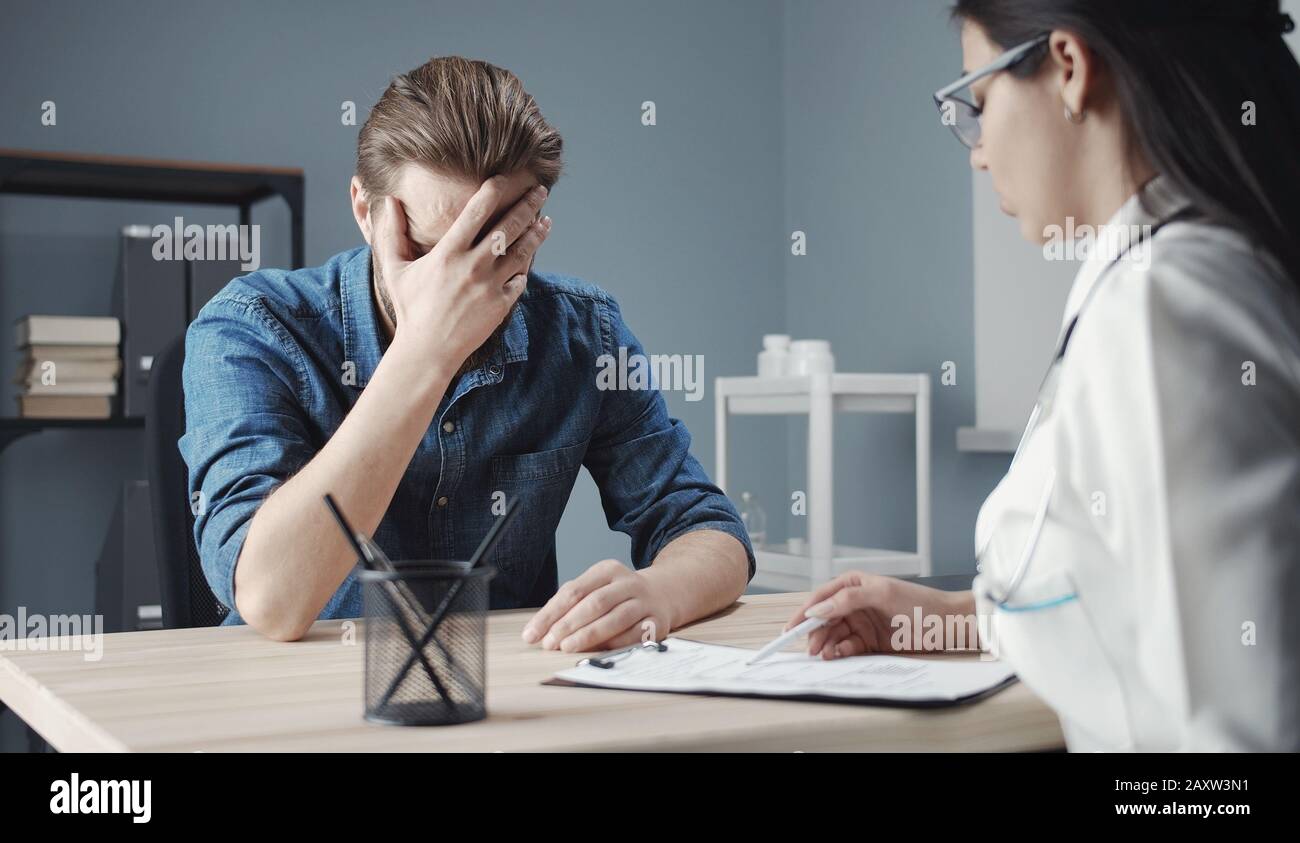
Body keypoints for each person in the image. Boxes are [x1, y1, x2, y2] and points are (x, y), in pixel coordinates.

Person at [787, 0, 1300, 750]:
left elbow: (1242, 746)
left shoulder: (1162, 306)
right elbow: (1141, 595)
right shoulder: (1176, 276)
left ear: (1068, 66)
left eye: (978, 100)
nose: (977, 150)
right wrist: (949, 618)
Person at [180, 56, 753, 646]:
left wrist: (661, 592)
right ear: (363, 210)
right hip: (292, 707)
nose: (461, 288)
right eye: (429, 252)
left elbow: (707, 529)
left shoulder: (584, 334)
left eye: (494, 254)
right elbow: (273, 600)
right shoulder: (252, 327)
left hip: (501, 699)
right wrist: (426, 350)